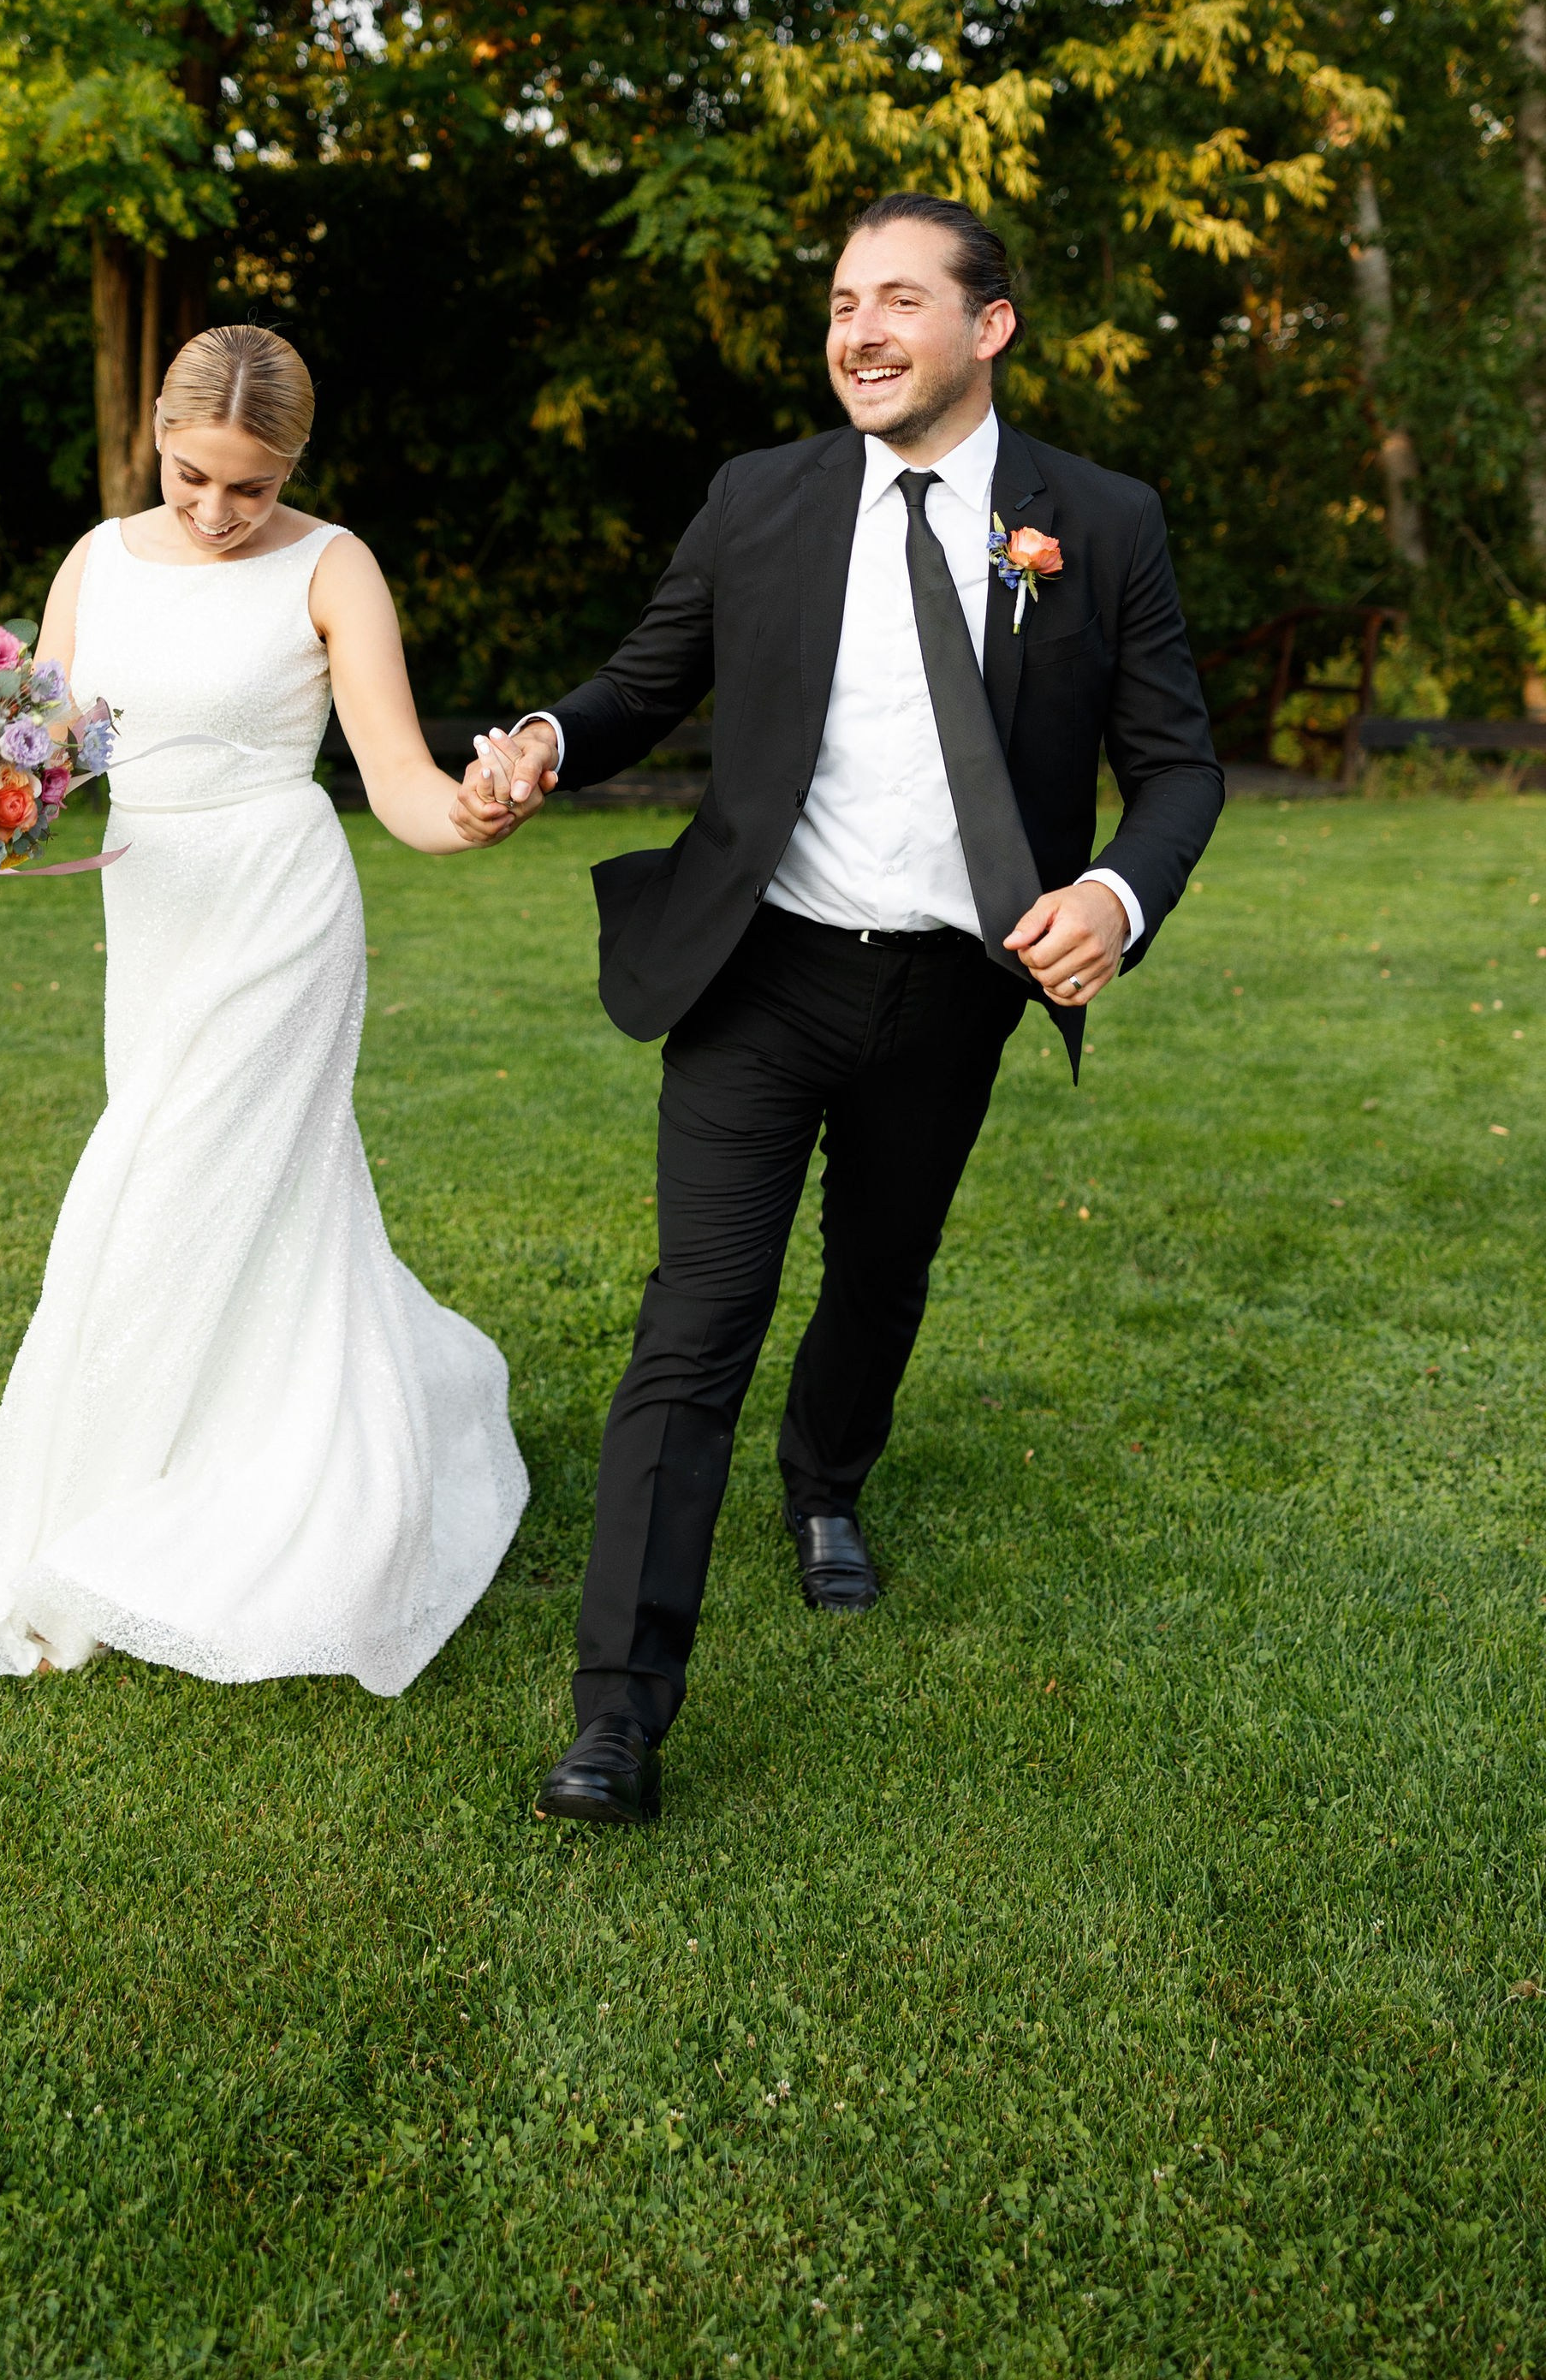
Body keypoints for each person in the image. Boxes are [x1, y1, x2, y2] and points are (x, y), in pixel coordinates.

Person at [463, 195, 1223, 1825]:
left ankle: (827, 1487)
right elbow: (641, 681)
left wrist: (1113, 897)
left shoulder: (1100, 520)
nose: (858, 334)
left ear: (989, 327)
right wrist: (542, 737)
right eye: (838, 306)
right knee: (696, 1320)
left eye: (896, 302)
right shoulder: (763, 498)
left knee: (882, 1277)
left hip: (957, 988)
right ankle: (619, 1713)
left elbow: (1176, 766)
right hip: (762, 967)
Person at [0, 323, 528, 1693]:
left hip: (281, 910)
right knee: (239, 1197)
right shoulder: (98, 560)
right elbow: (43, 750)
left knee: (160, 1182)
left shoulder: (332, 565)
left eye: (251, 482)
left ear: (293, 462)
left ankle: (138, 1520)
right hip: (155, 908)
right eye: (192, 474)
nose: (218, 509)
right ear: (158, 443)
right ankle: (193, 1455)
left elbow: (401, 783)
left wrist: (470, 816)